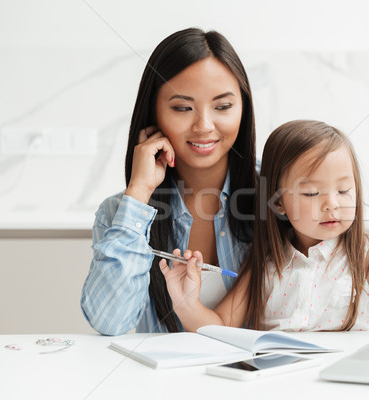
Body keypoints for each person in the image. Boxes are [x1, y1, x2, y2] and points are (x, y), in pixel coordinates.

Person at [160, 120, 369, 355]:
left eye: (344, 190)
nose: (332, 203)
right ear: (278, 203)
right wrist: (187, 304)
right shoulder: (266, 263)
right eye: (310, 193)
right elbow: (218, 328)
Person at [80, 28, 257, 335]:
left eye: (223, 106)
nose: (204, 126)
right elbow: (110, 323)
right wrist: (138, 194)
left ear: (243, 108)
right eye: (182, 108)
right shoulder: (118, 214)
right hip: (161, 383)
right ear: (155, 113)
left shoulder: (280, 192)